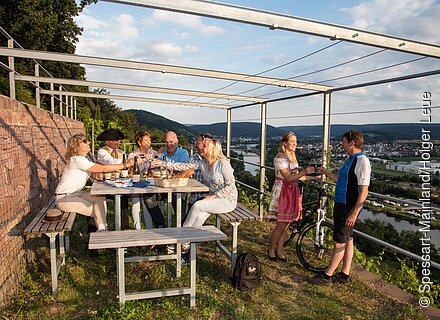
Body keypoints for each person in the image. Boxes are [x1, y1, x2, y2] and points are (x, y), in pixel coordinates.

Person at [152, 138, 237, 259]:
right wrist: (162, 163)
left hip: (227, 199)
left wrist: (215, 196)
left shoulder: (223, 163)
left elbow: (231, 186)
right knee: (199, 218)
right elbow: (183, 166)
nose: (201, 148)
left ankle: (179, 237)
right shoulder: (203, 163)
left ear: (211, 149)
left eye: (204, 146)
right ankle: (186, 249)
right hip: (212, 199)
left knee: (198, 205)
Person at [309, 130, 371, 285]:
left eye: (344, 142)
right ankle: (344, 274)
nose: (341, 144)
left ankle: (327, 276)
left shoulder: (361, 161)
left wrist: (354, 213)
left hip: (347, 206)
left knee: (339, 241)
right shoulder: (351, 159)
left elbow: (364, 191)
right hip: (342, 203)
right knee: (348, 239)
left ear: (352, 143)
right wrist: (326, 173)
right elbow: (341, 180)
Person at [55, 133, 132, 232]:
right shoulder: (78, 160)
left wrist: (98, 175)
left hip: (76, 194)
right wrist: (125, 165)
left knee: (99, 198)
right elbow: (103, 168)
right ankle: (102, 230)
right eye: (85, 141)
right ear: (76, 146)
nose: (89, 142)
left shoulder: (83, 159)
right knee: (98, 211)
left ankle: (102, 229)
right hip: (64, 198)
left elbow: (93, 173)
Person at [267, 132, 316, 261]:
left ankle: (279, 250)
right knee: (280, 226)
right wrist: (304, 171)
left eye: (296, 141)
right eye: (292, 141)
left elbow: (299, 177)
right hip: (282, 191)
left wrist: (315, 178)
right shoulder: (280, 157)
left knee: (286, 225)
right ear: (284, 143)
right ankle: (271, 249)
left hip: (291, 191)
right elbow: (288, 177)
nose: (295, 144)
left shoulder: (292, 157)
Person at [129, 130, 166, 229]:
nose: (149, 142)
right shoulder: (133, 155)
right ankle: (138, 229)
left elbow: (162, 165)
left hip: (150, 185)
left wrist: (158, 159)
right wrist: (139, 162)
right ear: (139, 142)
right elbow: (130, 172)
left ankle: (149, 230)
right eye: (146, 140)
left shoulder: (154, 154)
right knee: (136, 200)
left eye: (149, 140)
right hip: (136, 185)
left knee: (148, 199)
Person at [96, 128, 130, 229]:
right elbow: (111, 162)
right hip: (103, 183)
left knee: (123, 198)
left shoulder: (121, 151)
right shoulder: (102, 151)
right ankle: (95, 229)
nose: (117, 142)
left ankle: (123, 226)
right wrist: (127, 162)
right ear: (107, 141)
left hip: (118, 182)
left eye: (118, 140)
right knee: (96, 199)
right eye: (114, 140)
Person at [158, 131, 190, 221]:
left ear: (177, 142)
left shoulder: (184, 153)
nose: (169, 144)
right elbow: (157, 169)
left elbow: (182, 169)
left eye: (171, 142)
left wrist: (165, 166)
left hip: (178, 187)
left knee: (180, 213)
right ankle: (160, 225)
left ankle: (182, 229)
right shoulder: (162, 153)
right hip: (163, 187)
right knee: (148, 199)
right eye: (166, 142)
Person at [187, 133, 212, 212]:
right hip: (194, 198)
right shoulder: (193, 158)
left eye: (198, 143)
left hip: (209, 198)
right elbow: (184, 169)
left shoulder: (215, 161)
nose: (195, 145)